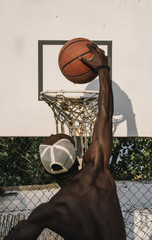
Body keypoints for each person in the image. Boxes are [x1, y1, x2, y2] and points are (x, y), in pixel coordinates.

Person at [4, 43, 126, 240]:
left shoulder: (47, 211)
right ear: (77, 158)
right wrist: (103, 69)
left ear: (45, 170)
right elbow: (105, 113)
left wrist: (17, 229)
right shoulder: (96, 172)